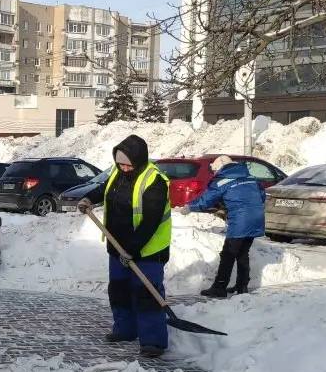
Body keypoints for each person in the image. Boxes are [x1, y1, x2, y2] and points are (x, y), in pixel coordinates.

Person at [77, 135, 171, 357]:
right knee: (119, 290)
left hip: (148, 251)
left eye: (128, 165)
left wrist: (133, 249)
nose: (124, 169)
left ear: (139, 160)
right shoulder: (117, 172)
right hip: (117, 246)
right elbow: (104, 189)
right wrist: (88, 199)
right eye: (120, 164)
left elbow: (150, 222)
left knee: (146, 294)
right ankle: (125, 329)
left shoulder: (154, 181)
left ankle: (153, 341)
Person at [177, 156, 266, 298]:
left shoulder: (223, 180)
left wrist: (189, 207)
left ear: (220, 168)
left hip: (241, 221)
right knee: (243, 252)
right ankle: (242, 285)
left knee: (228, 254)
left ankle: (219, 287)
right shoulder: (250, 177)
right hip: (256, 218)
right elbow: (262, 196)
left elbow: (206, 201)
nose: (215, 173)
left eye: (215, 171)